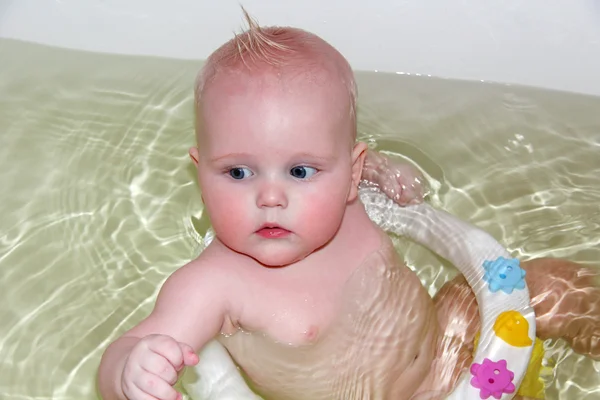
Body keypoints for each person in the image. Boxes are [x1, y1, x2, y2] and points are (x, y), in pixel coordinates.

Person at [97, 11, 600, 400]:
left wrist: (381, 170)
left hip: (449, 337)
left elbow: (338, 155)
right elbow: (131, 345)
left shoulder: (347, 197)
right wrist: (130, 370)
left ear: (351, 172)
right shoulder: (212, 285)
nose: (271, 197)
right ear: (200, 169)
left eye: (299, 170)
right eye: (238, 172)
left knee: (548, 283)